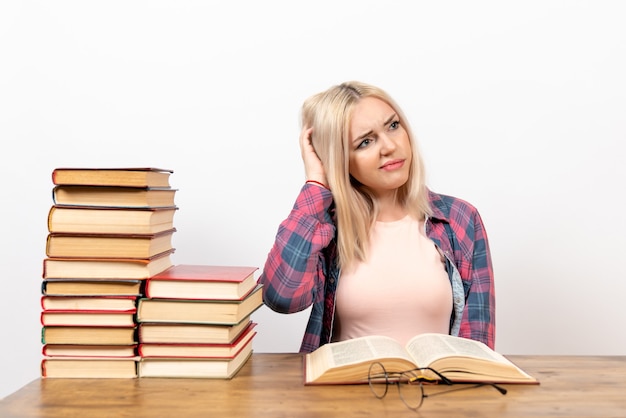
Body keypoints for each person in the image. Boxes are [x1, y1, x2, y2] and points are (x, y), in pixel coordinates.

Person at [258, 81, 495, 353]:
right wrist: (316, 184)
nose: (389, 146)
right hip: (342, 391)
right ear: (340, 159)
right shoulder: (325, 226)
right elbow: (281, 297)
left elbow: (478, 343)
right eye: (365, 142)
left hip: (434, 393)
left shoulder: (459, 219)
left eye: (393, 126)